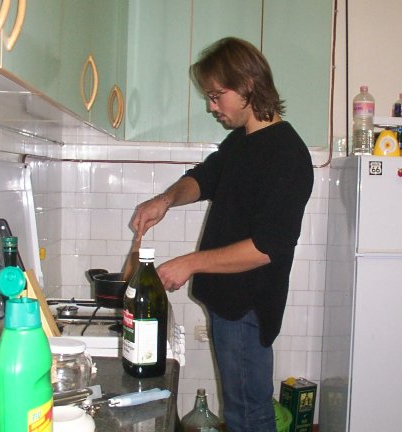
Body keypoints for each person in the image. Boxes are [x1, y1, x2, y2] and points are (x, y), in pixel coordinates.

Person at [130, 37, 313, 432]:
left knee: (248, 414)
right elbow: (205, 177)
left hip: (246, 308)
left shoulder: (287, 155)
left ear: (248, 85)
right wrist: (165, 200)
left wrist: (190, 263)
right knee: (241, 410)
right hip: (228, 304)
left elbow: (266, 248)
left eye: (217, 96)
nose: (212, 107)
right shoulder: (243, 141)